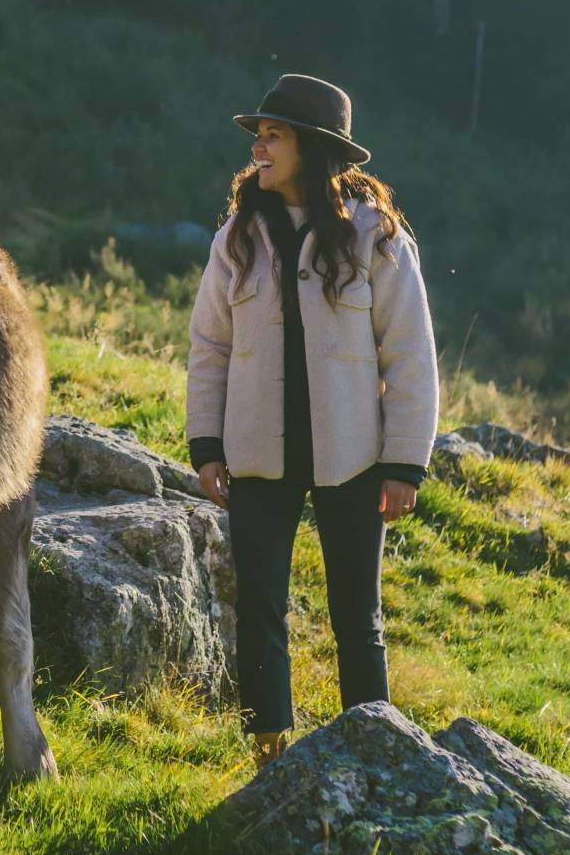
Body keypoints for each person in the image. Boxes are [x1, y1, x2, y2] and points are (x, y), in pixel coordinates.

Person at [183, 73, 437, 768]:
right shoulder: (237, 237)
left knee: (358, 617)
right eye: (259, 136)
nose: (258, 148)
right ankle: (269, 751)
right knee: (260, 605)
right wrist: (207, 444)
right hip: (256, 454)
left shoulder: (375, 239)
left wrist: (404, 463)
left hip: (354, 456)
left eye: (274, 135)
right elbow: (210, 345)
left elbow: (410, 355)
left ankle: (372, 750)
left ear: (315, 148)